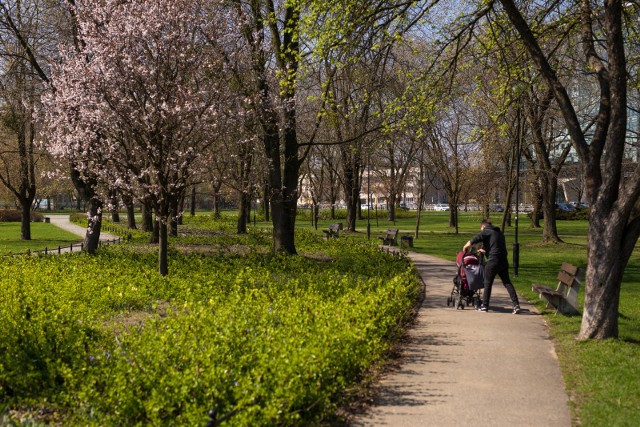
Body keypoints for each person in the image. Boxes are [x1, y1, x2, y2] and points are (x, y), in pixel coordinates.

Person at [463, 219, 521, 314]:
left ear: (483, 226)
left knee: (487, 283)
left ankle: (485, 306)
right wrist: (485, 251)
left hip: (493, 261)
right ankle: (516, 305)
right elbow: (496, 247)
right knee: (507, 283)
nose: (481, 231)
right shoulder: (499, 233)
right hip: (503, 261)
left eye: (481, 229)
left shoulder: (487, 231)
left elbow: (476, 239)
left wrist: (465, 246)